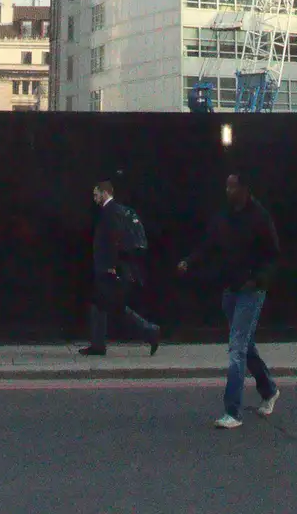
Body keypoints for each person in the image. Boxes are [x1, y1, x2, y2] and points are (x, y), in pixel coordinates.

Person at [178, 172, 280, 428]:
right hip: (229, 289)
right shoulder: (223, 217)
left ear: (245, 189)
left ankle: (232, 412)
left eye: (232, 186)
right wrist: (189, 261)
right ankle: (268, 390)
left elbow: (272, 256)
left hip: (250, 290)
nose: (228, 190)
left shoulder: (260, 218)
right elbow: (209, 245)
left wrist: (257, 280)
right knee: (245, 345)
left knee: (236, 348)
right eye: (226, 186)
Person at [78, 180, 161, 357]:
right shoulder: (113, 211)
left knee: (113, 306)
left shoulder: (111, 211)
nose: (94, 198)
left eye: (96, 194)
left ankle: (150, 331)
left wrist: (111, 266)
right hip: (109, 267)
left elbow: (114, 241)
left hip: (110, 268)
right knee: (102, 304)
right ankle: (99, 344)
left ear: (104, 193)